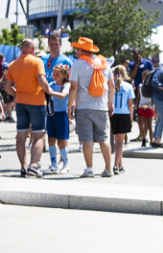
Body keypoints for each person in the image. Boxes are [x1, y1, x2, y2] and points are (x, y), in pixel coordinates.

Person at [1, 39, 53, 177]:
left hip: (20, 103)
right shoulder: (37, 61)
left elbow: (6, 87)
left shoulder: (13, 64)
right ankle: (33, 165)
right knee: (39, 136)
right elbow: (42, 82)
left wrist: (17, 94)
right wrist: (49, 91)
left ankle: (23, 167)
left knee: (21, 136)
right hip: (37, 102)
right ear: (31, 48)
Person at [68, 36, 114, 178]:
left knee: (87, 139)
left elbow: (74, 86)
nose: (76, 51)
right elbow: (112, 86)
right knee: (103, 138)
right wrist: (110, 103)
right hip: (101, 107)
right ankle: (108, 169)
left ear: (83, 51)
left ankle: (89, 169)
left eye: (77, 49)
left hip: (84, 107)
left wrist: (70, 105)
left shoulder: (77, 64)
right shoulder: (104, 64)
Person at [44, 64, 72, 174]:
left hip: (61, 115)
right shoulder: (51, 84)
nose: (54, 76)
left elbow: (63, 95)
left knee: (61, 142)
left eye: (57, 74)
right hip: (51, 114)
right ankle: (54, 165)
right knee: (51, 139)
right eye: (54, 74)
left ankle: (66, 164)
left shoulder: (67, 85)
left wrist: (50, 92)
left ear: (64, 75)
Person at [110, 65, 134, 173]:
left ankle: (120, 164)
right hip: (124, 114)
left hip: (113, 114)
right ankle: (116, 165)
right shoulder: (128, 86)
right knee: (120, 142)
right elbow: (130, 104)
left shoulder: (111, 85)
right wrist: (131, 117)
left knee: (116, 142)